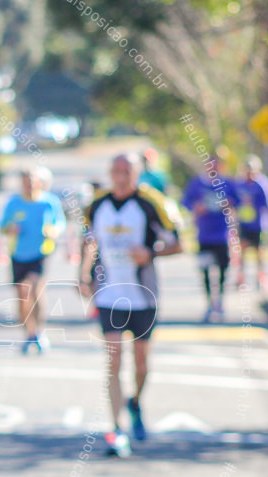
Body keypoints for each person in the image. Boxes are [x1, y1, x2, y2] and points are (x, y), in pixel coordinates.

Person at [80, 154, 181, 457]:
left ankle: (135, 401)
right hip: (110, 296)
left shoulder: (151, 204)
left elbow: (178, 243)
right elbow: (89, 242)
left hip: (144, 297)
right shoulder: (97, 205)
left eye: (127, 171)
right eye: (116, 171)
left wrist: (150, 253)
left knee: (140, 363)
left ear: (137, 174)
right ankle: (116, 429)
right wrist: (83, 275)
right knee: (113, 361)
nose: (121, 176)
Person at [0, 168, 64, 353]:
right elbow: (2, 226)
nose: (29, 184)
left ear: (39, 182)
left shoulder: (49, 202)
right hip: (18, 253)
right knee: (22, 294)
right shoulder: (14, 203)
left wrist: (53, 231)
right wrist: (10, 229)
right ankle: (29, 333)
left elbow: (60, 223)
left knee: (36, 289)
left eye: (32, 181)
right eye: (26, 181)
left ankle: (40, 332)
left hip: (40, 252)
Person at [181, 157, 240, 322]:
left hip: (222, 235)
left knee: (222, 270)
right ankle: (209, 304)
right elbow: (185, 201)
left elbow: (239, 201)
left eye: (216, 165)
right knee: (205, 271)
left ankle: (220, 302)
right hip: (204, 236)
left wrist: (230, 204)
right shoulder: (197, 184)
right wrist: (196, 207)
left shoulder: (227, 183)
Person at [234, 155, 268, 290]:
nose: (249, 174)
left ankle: (261, 278)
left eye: (251, 170)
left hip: (260, 225)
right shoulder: (240, 184)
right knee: (242, 251)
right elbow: (234, 201)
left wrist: (254, 203)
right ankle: (241, 278)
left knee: (260, 253)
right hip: (244, 225)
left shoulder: (262, 184)